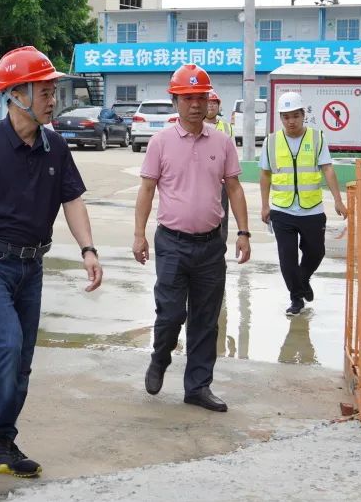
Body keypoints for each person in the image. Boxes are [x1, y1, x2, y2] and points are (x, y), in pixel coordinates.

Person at [0, 46, 103, 478]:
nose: (53, 99)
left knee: (23, 358)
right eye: (44, 91)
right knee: (7, 344)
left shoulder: (56, 147)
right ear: (16, 94)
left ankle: (2, 442)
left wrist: (88, 249)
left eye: (53, 91)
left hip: (31, 266)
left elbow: (72, 200)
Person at [132, 64, 251, 414]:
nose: (195, 105)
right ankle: (160, 357)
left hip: (211, 245)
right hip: (172, 243)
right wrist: (139, 235)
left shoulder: (222, 141)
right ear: (175, 101)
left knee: (205, 319)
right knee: (170, 314)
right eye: (187, 98)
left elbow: (234, 188)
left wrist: (243, 232)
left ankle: (198, 387)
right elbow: (147, 189)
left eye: (200, 97)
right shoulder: (160, 142)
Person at [259, 91, 347, 316]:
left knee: (316, 252)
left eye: (295, 116)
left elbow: (328, 169)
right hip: (282, 209)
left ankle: (303, 278)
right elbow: (265, 175)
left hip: (312, 209)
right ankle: (296, 298)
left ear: (303, 115)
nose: (291, 121)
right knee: (287, 259)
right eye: (286, 117)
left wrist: (338, 200)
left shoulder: (317, 138)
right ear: (281, 118)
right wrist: (264, 205)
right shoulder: (271, 141)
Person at [204, 90, 235, 242]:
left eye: (214, 103)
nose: (211, 106)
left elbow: (231, 155)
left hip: (221, 182)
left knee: (222, 218)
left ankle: (220, 246)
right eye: (208, 102)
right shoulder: (196, 125)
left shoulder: (227, 128)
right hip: (201, 181)